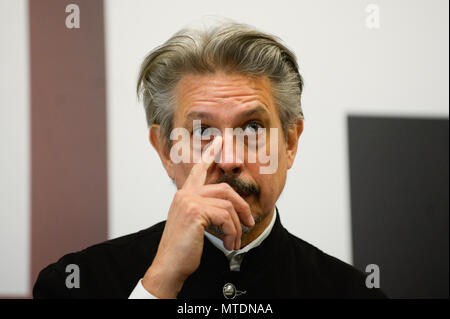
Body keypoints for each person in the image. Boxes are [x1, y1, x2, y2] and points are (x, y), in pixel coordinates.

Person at [33, 20, 386, 299]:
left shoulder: (352, 292)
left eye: (252, 127)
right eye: (202, 132)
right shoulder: (77, 283)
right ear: (166, 151)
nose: (229, 159)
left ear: (290, 142)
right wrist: (159, 283)